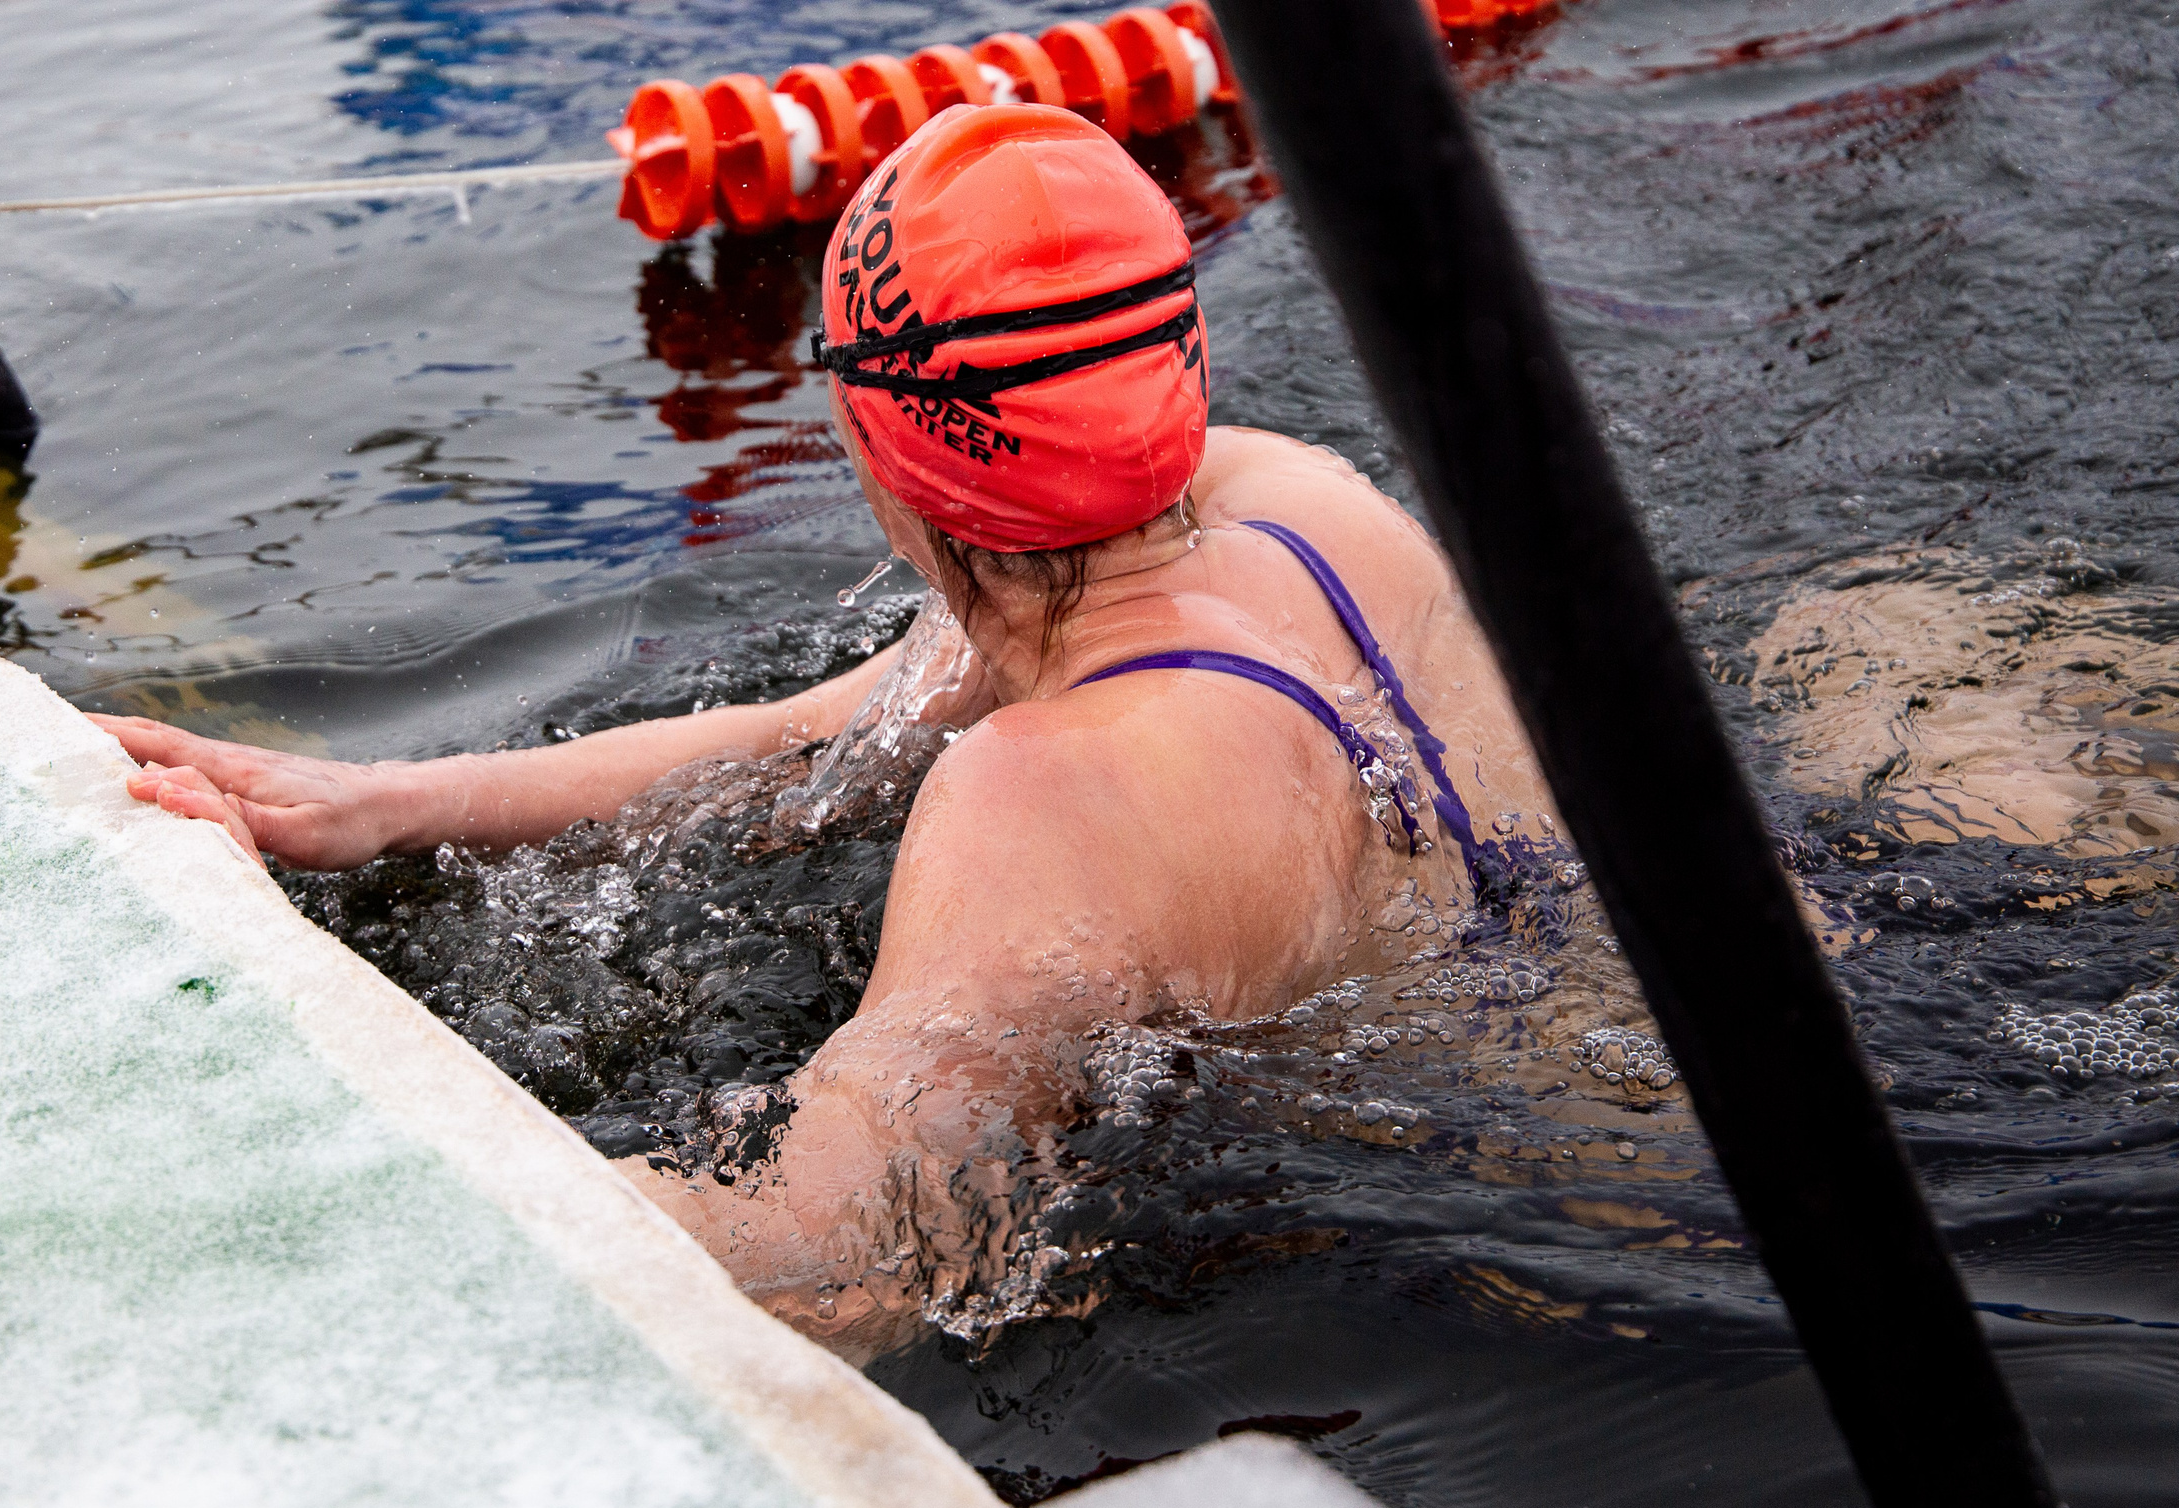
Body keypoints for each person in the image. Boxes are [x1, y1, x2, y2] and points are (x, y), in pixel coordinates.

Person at [91, 104, 1555, 1362]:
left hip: (1550, 1233)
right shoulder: (1291, 504)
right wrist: (383, 801)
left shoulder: (1043, 799)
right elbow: (812, 741)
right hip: (1631, 1023)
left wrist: (300, 1210)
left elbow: (863, 1254)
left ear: (877, 444)